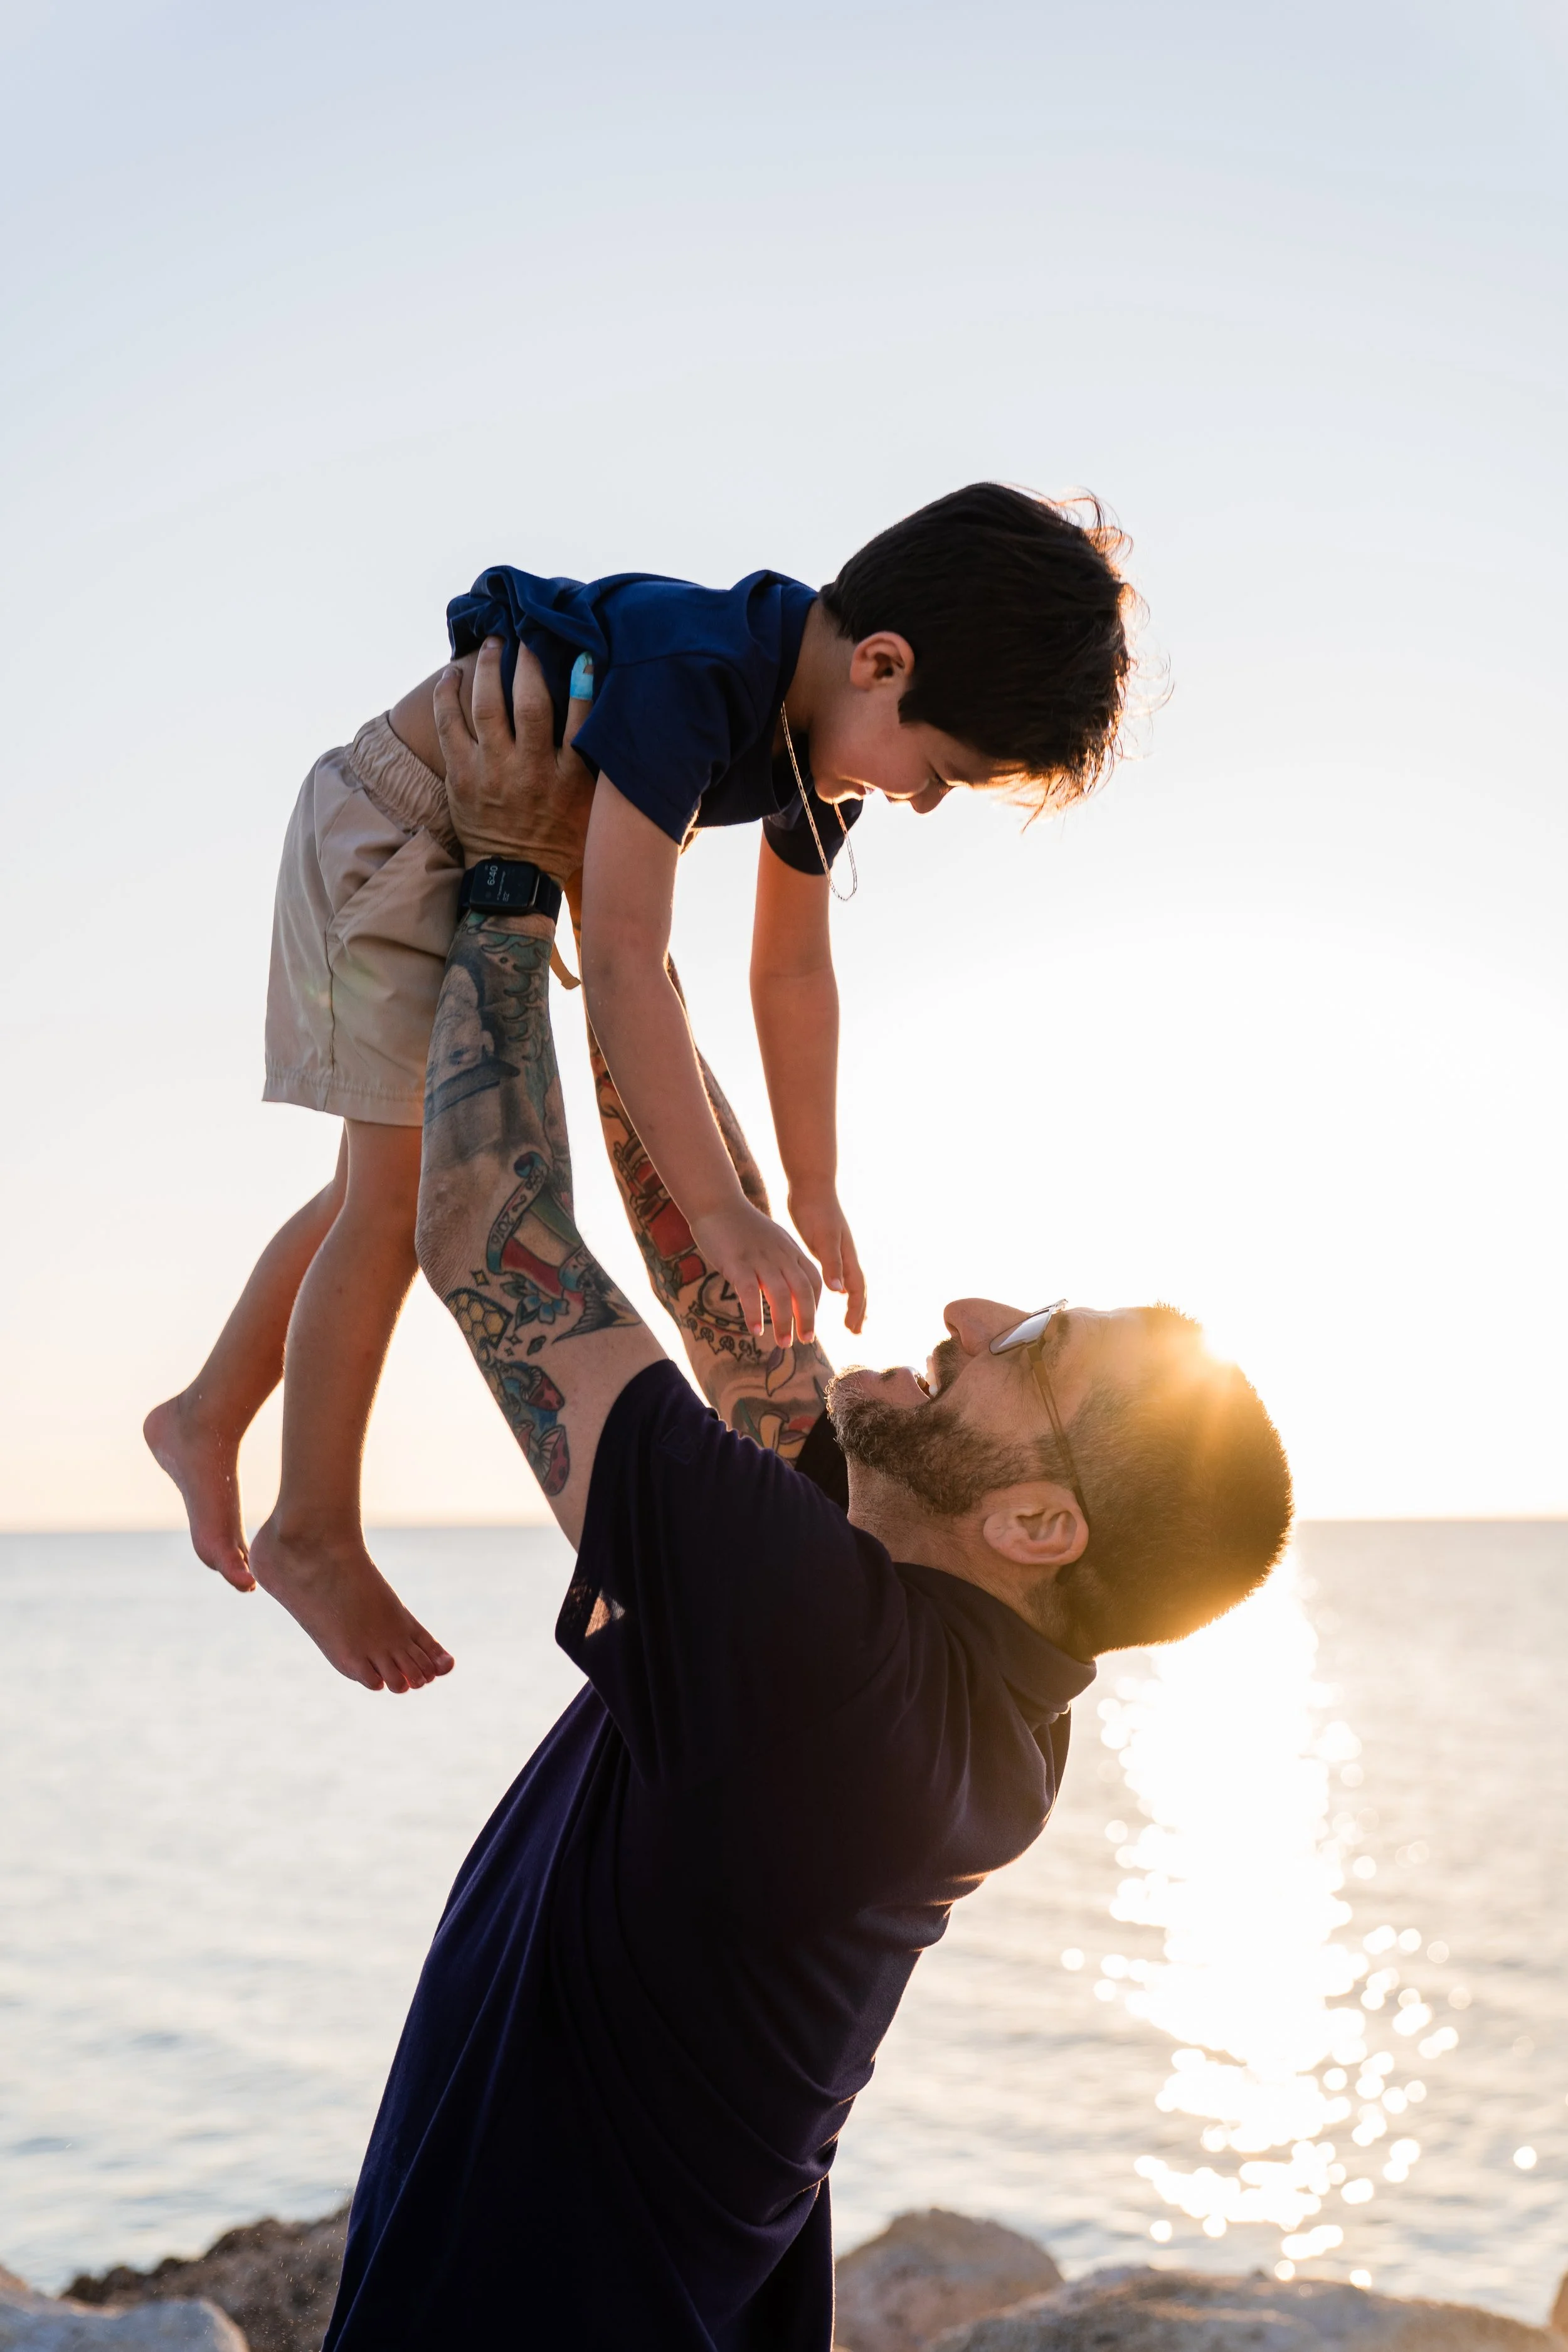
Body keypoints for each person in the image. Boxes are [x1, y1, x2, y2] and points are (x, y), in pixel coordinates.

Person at [319, 648, 1293, 2351]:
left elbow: (487, 1241)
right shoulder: (957, 1665)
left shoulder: (831, 1667)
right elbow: (716, 1271)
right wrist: (615, 908)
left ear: (1037, 1524)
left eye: (1032, 1345)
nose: (972, 1310)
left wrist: (507, 874)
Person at [146, 482, 1139, 1697]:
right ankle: (311, 1524)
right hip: (397, 825)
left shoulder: (810, 746)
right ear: (882, 663)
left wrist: (812, 1183)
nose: (922, 801)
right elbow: (620, 958)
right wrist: (718, 1211)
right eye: (937, 771)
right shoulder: (699, 681)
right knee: (396, 1196)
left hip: (464, 838)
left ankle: (206, 1413)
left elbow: (791, 970)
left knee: (377, 1184)